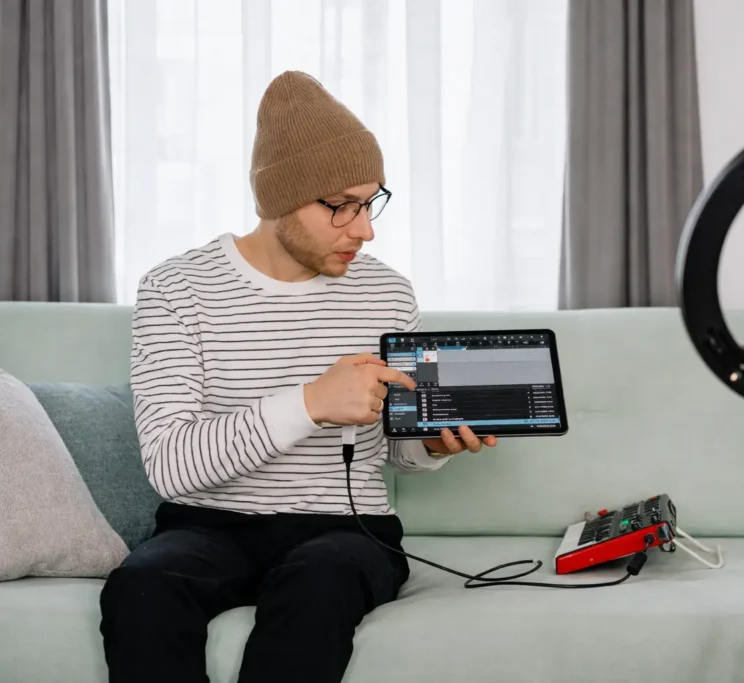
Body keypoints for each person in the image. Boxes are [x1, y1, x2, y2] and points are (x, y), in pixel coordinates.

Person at [99, 70, 497, 683]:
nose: (364, 229)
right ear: (281, 197)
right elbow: (171, 465)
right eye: (341, 205)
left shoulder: (387, 293)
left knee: (318, 584)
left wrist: (431, 445)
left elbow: (397, 451)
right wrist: (310, 402)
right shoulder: (175, 289)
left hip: (348, 532)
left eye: (371, 203)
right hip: (207, 526)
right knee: (142, 590)